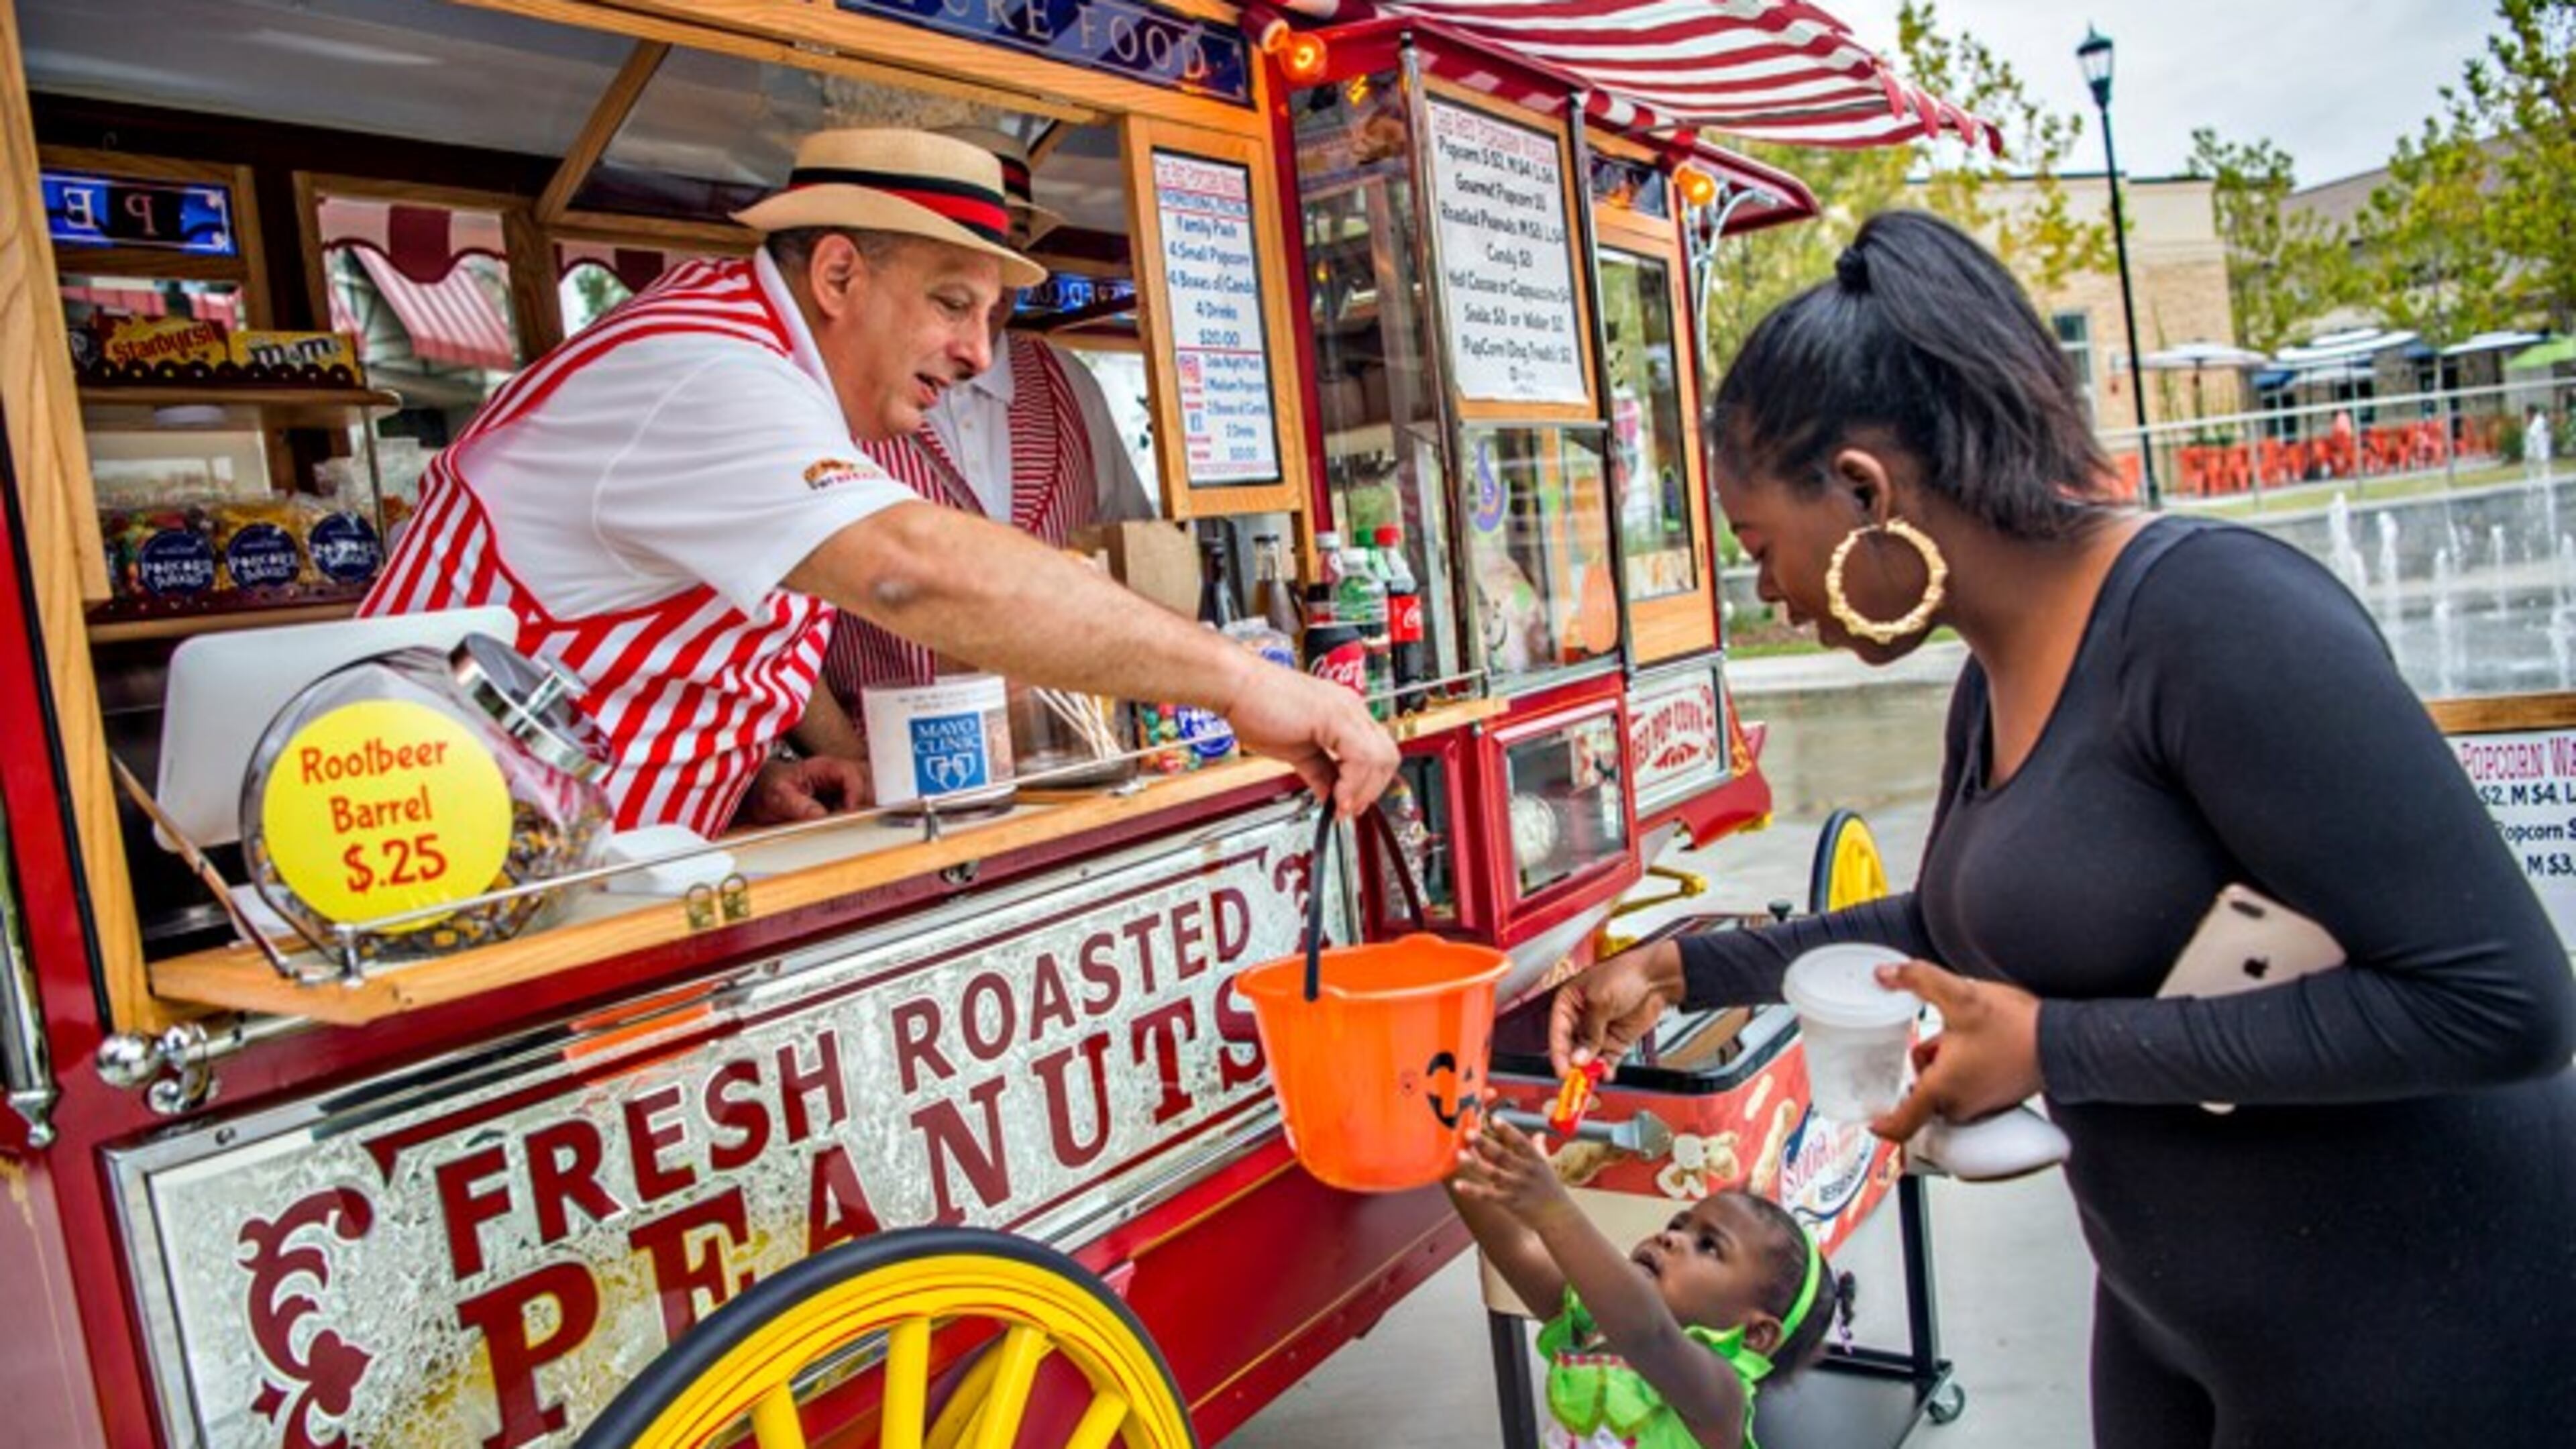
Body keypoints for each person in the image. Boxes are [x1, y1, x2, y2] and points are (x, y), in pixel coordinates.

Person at [1546, 211, 2575, 1448]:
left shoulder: (2215, 620)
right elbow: (1959, 925)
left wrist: (2058, 1050)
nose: (1764, 587)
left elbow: (2504, 1004)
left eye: (1762, 546)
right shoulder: (1993, 675)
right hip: (2173, 1315)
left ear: (1867, 489)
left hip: (2409, 1324)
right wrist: (1685, 966)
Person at [363, 129, 1392, 836]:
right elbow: (911, 573)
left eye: (989, 316)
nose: (980, 354)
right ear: (840, 276)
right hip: (449, 871)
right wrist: (1247, 684)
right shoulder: (706, 370)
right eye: (952, 304)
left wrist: (745, 775)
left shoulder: (763, 362)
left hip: (573, 861)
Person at [820, 125, 1159, 701]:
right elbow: (770, 622)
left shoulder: (1071, 385)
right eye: (966, 249)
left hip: (1073, 758)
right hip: (887, 765)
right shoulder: (829, 389)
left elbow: (1138, 557)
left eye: (1011, 244)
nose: (994, 278)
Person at [1448, 1117, 1854, 1449]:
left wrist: (1554, 1208)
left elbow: (1649, 1334)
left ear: (1755, 1334)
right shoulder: (1595, 1326)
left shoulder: (1719, 1395)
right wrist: (1446, 1141)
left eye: (1709, 1247)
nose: (1671, 1237)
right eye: (1679, 1225)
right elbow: (1517, 1247)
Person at [2527, 404, 2553, 480]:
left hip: (2541, 453)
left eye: (2527, 414)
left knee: (2544, 474)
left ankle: (2546, 489)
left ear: (2530, 413)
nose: (2526, 417)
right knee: (2546, 473)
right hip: (2543, 452)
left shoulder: (2537, 423)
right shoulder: (2541, 421)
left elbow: (2532, 437)